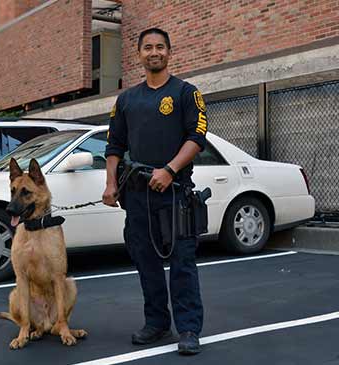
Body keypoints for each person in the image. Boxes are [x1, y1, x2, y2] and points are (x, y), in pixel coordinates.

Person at [102, 27, 208, 355]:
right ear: (139, 55)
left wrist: (170, 170)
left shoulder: (186, 93)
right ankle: (157, 323)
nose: (154, 52)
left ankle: (188, 328)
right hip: (136, 194)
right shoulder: (126, 100)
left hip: (175, 194)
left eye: (160, 47)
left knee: (182, 263)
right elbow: (114, 145)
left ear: (169, 52)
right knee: (145, 262)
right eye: (147, 47)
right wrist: (110, 183)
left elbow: (197, 138)